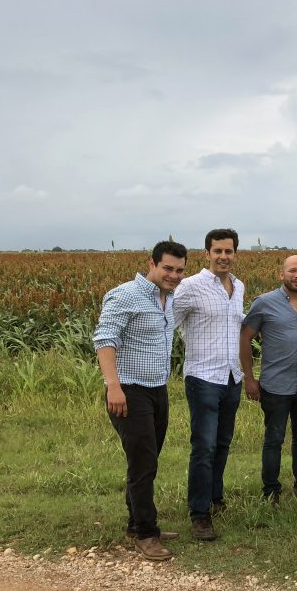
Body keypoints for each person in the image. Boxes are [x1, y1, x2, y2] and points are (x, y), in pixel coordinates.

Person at [93, 240, 187, 561]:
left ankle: (137, 523)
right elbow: (105, 341)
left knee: (147, 460)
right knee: (143, 462)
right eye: (168, 269)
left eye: (179, 270)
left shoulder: (170, 299)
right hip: (129, 391)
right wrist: (113, 387)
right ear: (151, 263)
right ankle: (147, 534)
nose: (173, 276)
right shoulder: (125, 295)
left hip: (157, 390)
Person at [173, 228, 244, 541]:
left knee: (223, 442)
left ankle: (215, 498)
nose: (223, 257)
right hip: (202, 376)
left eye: (228, 251)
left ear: (235, 254)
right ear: (207, 254)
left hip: (232, 376)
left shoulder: (238, 286)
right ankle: (199, 513)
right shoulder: (190, 286)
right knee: (204, 446)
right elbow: (166, 321)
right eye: (218, 251)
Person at [240, 255, 297, 503]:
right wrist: (249, 378)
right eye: (292, 271)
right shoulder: (264, 303)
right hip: (275, 385)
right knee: (274, 438)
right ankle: (271, 491)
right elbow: (245, 338)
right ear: (282, 274)